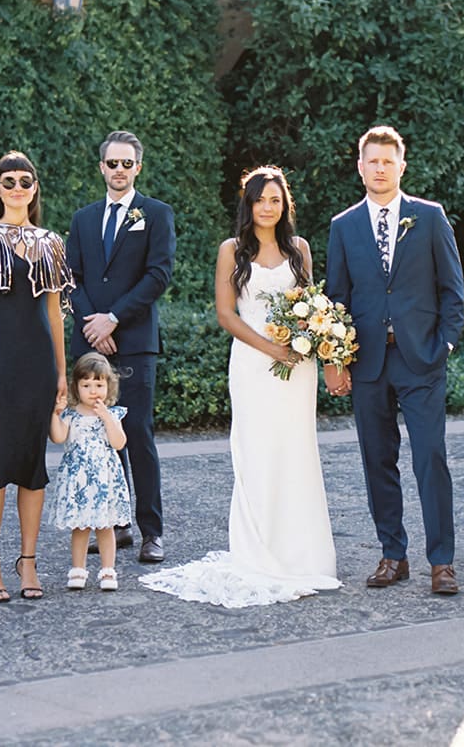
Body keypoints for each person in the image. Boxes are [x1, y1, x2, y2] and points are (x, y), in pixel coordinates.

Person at [140, 167, 340, 606]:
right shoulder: (231, 250)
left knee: (296, 451)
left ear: (285, 205)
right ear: (247, 204)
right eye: (260, 200)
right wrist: (271, 348)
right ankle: (257, 551)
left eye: (275, 200)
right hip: (253, 363)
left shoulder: (300, 249)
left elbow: (312, 306)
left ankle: (301, 554)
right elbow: (226, 314)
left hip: (297, 366)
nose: (268, 207)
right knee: (256, 451)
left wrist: (318, 350)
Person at [325, 126, 464, 596]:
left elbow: (452, 289)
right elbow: (337, 297)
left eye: (388, 161)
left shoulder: (429, 217)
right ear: (360, 166)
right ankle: (393, 554)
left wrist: (444, 344)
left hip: (421, 358)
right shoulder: (343, 226)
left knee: (430, 457)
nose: (380, 168)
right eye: (373, 161)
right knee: (377, 460)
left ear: (401, 166)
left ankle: (442, 562)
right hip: (367, 362)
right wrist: (336, 358)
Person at [0, 151, 72, 603]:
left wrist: (62, 373)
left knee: (31, 466)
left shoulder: (51, 243)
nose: (18, 188)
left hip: (38, 365)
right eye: (9, 181)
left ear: (35, 188)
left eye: (26, 181)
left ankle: (28, 562)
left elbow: (55, 314)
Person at [65, 131, 175, 562]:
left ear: (138, 167)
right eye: (112, 163)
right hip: (90, 342)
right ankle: (116, 525)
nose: (119, 170)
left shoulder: (156, 214)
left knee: (138, 434)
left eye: (127, 163)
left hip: (134, 341)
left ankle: (152, 532)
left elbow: (158, 275)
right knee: (98, 436)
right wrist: (94, 325)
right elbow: (71, 278)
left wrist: (113, 318)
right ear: (101, 168)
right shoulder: (83, 219)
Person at [45, 353, 131, 593]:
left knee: (105, 526)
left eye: (99, 385)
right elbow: (58, 437)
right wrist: (55, 414)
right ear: (76, 387)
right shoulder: (72, 415)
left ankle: (108, 570)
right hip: (79, 480)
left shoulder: (112, 414)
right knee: (80, 527)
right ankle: (78, 569)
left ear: (109, 386)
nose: (93, 391)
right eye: (87, 385)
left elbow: (119, 443)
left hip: (104, 479)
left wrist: (106, 418)